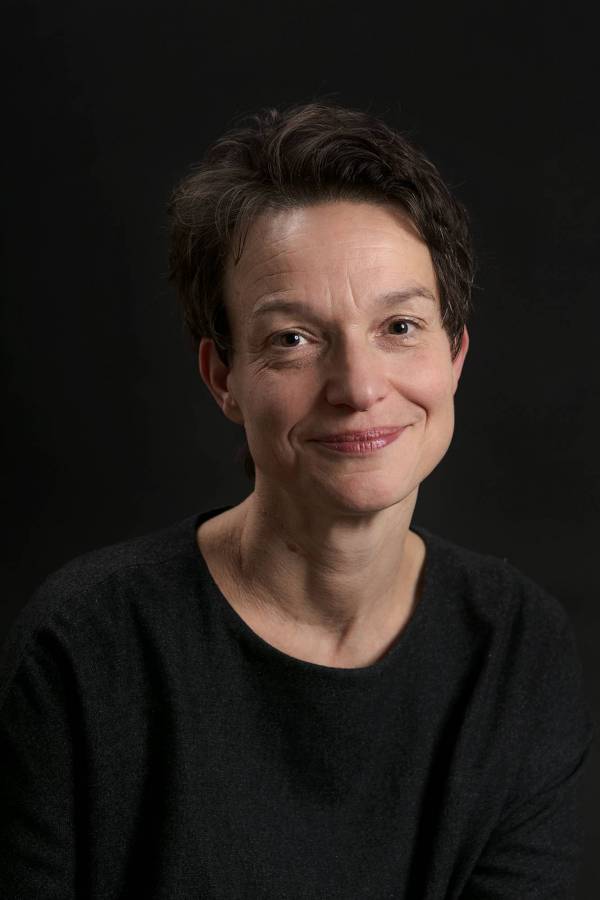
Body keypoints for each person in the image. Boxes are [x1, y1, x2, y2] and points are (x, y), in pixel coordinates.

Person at [0, 101, 594, 899]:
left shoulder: (518, 652)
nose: (358, 387)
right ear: (224, 378)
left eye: (400, 326)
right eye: (293, 339)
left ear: (454, 354)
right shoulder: (85, 648)